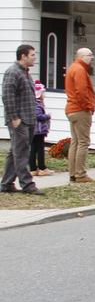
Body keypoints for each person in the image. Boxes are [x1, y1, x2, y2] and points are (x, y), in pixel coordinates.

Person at [2, 44, 42, 195]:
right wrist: (14, 117)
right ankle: (27, 184)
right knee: (22, 152)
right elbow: (7, 96)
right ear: (23, 56)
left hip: (29, 118)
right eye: (32, 55)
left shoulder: (25, 73)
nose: (34, 58)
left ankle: (6, 184)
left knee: (15, 152)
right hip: (19, 119)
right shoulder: (13, 72)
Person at [64, 48, 95, 184]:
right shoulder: (80, 70)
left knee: (75, 142)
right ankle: (80, 174)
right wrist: (88, 106)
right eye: (89, 55)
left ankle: (73, 173)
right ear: (81, 56)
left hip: (72, 109)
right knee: (83, 142)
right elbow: (81, 91)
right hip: (80, 109)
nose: (92, 58)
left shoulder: (73, 68)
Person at [30, 82, 53, 177]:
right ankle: (42, 168)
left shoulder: (35, 103)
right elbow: (38, 116)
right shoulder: (37, 104)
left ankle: (33, 168)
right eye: (43, 93)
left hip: (35, 131)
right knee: (39, 149)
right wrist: (47, 116)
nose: (44, 95)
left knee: (33, 148)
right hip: (38, 131)